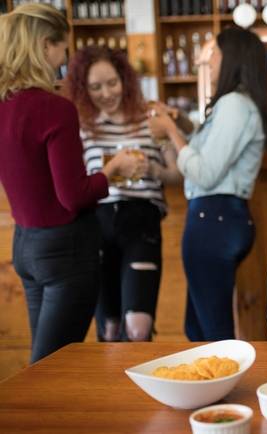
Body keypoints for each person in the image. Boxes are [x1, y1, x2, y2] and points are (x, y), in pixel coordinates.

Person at [0, 4, 139, 362]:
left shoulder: (5, 105)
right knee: (52, 366)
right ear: (46, 46)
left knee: (43, 361)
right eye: (63, 47)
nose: (65, 56)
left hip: (25, 245)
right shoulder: (55, 108)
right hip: (66, 250)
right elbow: (74, 196)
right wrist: (113, 169)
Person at [151, 27, 267, 341]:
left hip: (213, 220)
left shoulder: (234, 103)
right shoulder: (239, 104)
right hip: (221, 218)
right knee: (198, 328)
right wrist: (180, 125)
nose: (209, 61)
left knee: (212, 332)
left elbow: (204, 173)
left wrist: (169, 131)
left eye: (214, 53)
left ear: (231, 57)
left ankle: (225, 389)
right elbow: (208, 154)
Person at [64, 46, 183, 342]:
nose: (106, 93)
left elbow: (179, 174)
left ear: (125, 80)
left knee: (138, 329)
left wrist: (153, 171)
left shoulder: (150, 118)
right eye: (95, 87)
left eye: (112, 83)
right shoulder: (81, 126)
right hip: (97, 224)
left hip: (142, 222)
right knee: (109, 329)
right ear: (83, 89)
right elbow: (74, 185)